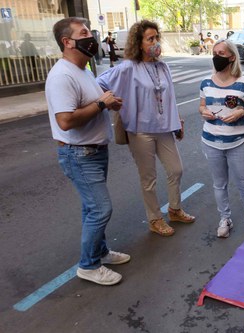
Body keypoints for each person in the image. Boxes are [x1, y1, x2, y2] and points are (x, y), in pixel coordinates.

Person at [45, 17, 129, 286]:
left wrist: (109, 102)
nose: (90, 36)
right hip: (79, 154)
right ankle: (88, 265)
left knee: (91, 208)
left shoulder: (84, 69)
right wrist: (102, 105)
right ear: (67, 42)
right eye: (83, 33)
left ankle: (100, 252)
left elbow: (93, 103)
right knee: (100, 209)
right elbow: (66, 121)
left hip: (93, 151)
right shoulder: (62, 75)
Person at [97, 20, 195, 238]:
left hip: (164, 128)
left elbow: (169, 97)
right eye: (150, 39)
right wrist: (112, 102)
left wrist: (177, 120)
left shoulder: (163, 66)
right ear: (138, 43)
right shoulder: (128, 68)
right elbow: (99, 83)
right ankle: (154, 219)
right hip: (141, 131)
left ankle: (174, 209)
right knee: (148, 178)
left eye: (156, 37)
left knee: (176, 169)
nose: (155, 42)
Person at [198, 39, 244, 238]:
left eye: (221, 53)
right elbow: (201, 106)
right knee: (219, 183)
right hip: (211, 141)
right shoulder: (206, 83)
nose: (217, 57)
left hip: (238, 142)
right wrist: (204, 112)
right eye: (214, 53)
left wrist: (240, 113)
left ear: (232, 57)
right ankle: (224, 218)